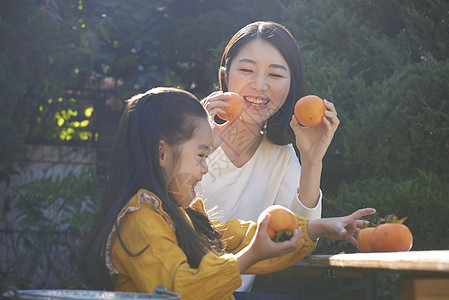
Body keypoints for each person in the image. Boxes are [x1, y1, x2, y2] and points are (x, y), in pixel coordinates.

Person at [77, 87, 374, 300]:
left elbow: (245, 236)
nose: (205, 169)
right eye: (201, 156)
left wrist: (320, 226)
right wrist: (251, 255)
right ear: (162, 153)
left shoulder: (180, 215)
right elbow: (181, 290)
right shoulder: (139, 221)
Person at [197, 21, 340, 291]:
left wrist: (311, 160)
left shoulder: (282, 156)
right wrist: (194, 141)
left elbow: (296, 239)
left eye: (275, 75)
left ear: (291, 86)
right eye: (247, 70)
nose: (260, 85)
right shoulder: (185, 134)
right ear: (225, 76)